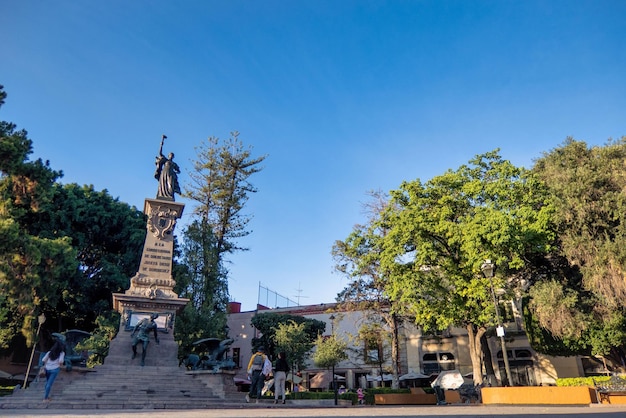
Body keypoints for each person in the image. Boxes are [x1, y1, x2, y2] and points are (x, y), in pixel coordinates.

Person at [154, 135, 181, 200]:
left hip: (171, 174)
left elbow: (179, 171)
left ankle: (170, 196)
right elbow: (160, 153)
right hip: (164, 173)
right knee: (163, 184)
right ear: (168, 156)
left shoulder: (174, 164)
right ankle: (161, 195)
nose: (171, 156)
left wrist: (175, 172)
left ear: (173, 157)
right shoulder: (166, 160)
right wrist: (162, 142)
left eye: (172, 155)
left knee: (170, 185)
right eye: (170, 155)